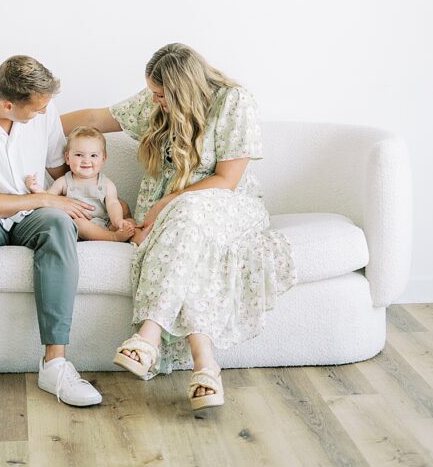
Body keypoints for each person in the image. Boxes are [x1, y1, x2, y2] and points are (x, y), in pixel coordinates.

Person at [61, 42, 298, 412]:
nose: (155, 102)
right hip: (174, 218)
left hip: (227, 207)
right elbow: (95, 116)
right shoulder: (155, 102)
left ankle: (149, 334)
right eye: (153, 94)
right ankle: (206, 369)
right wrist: (31, 126)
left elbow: (227, 180)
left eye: (161, 95)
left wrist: (162, 205)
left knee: (187, 215)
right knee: (190, 247)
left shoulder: (234, 102)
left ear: (183, 90)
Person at [0, 55, 103, 414]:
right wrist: (40, 197)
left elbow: (60, 168)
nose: (43, 114)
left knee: (58, 223)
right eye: (36, 110)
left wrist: (100, 204)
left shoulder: (44, 109)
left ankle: (55, 364)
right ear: (8, 104)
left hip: (32, 216)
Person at [25, 126, 137, 242]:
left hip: (103, 223)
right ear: (67, 158)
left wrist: (118, 221)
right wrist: (36, 189)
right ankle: (112, 237)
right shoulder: (64, 181)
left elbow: (113, 204)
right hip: (77, 226)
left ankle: (115, 231)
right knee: (79, 223)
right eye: (79, 155)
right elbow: (48, 198)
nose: (86, 160)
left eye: (93, 155)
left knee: (127, 220)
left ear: (103, 158)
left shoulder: (106, 184)